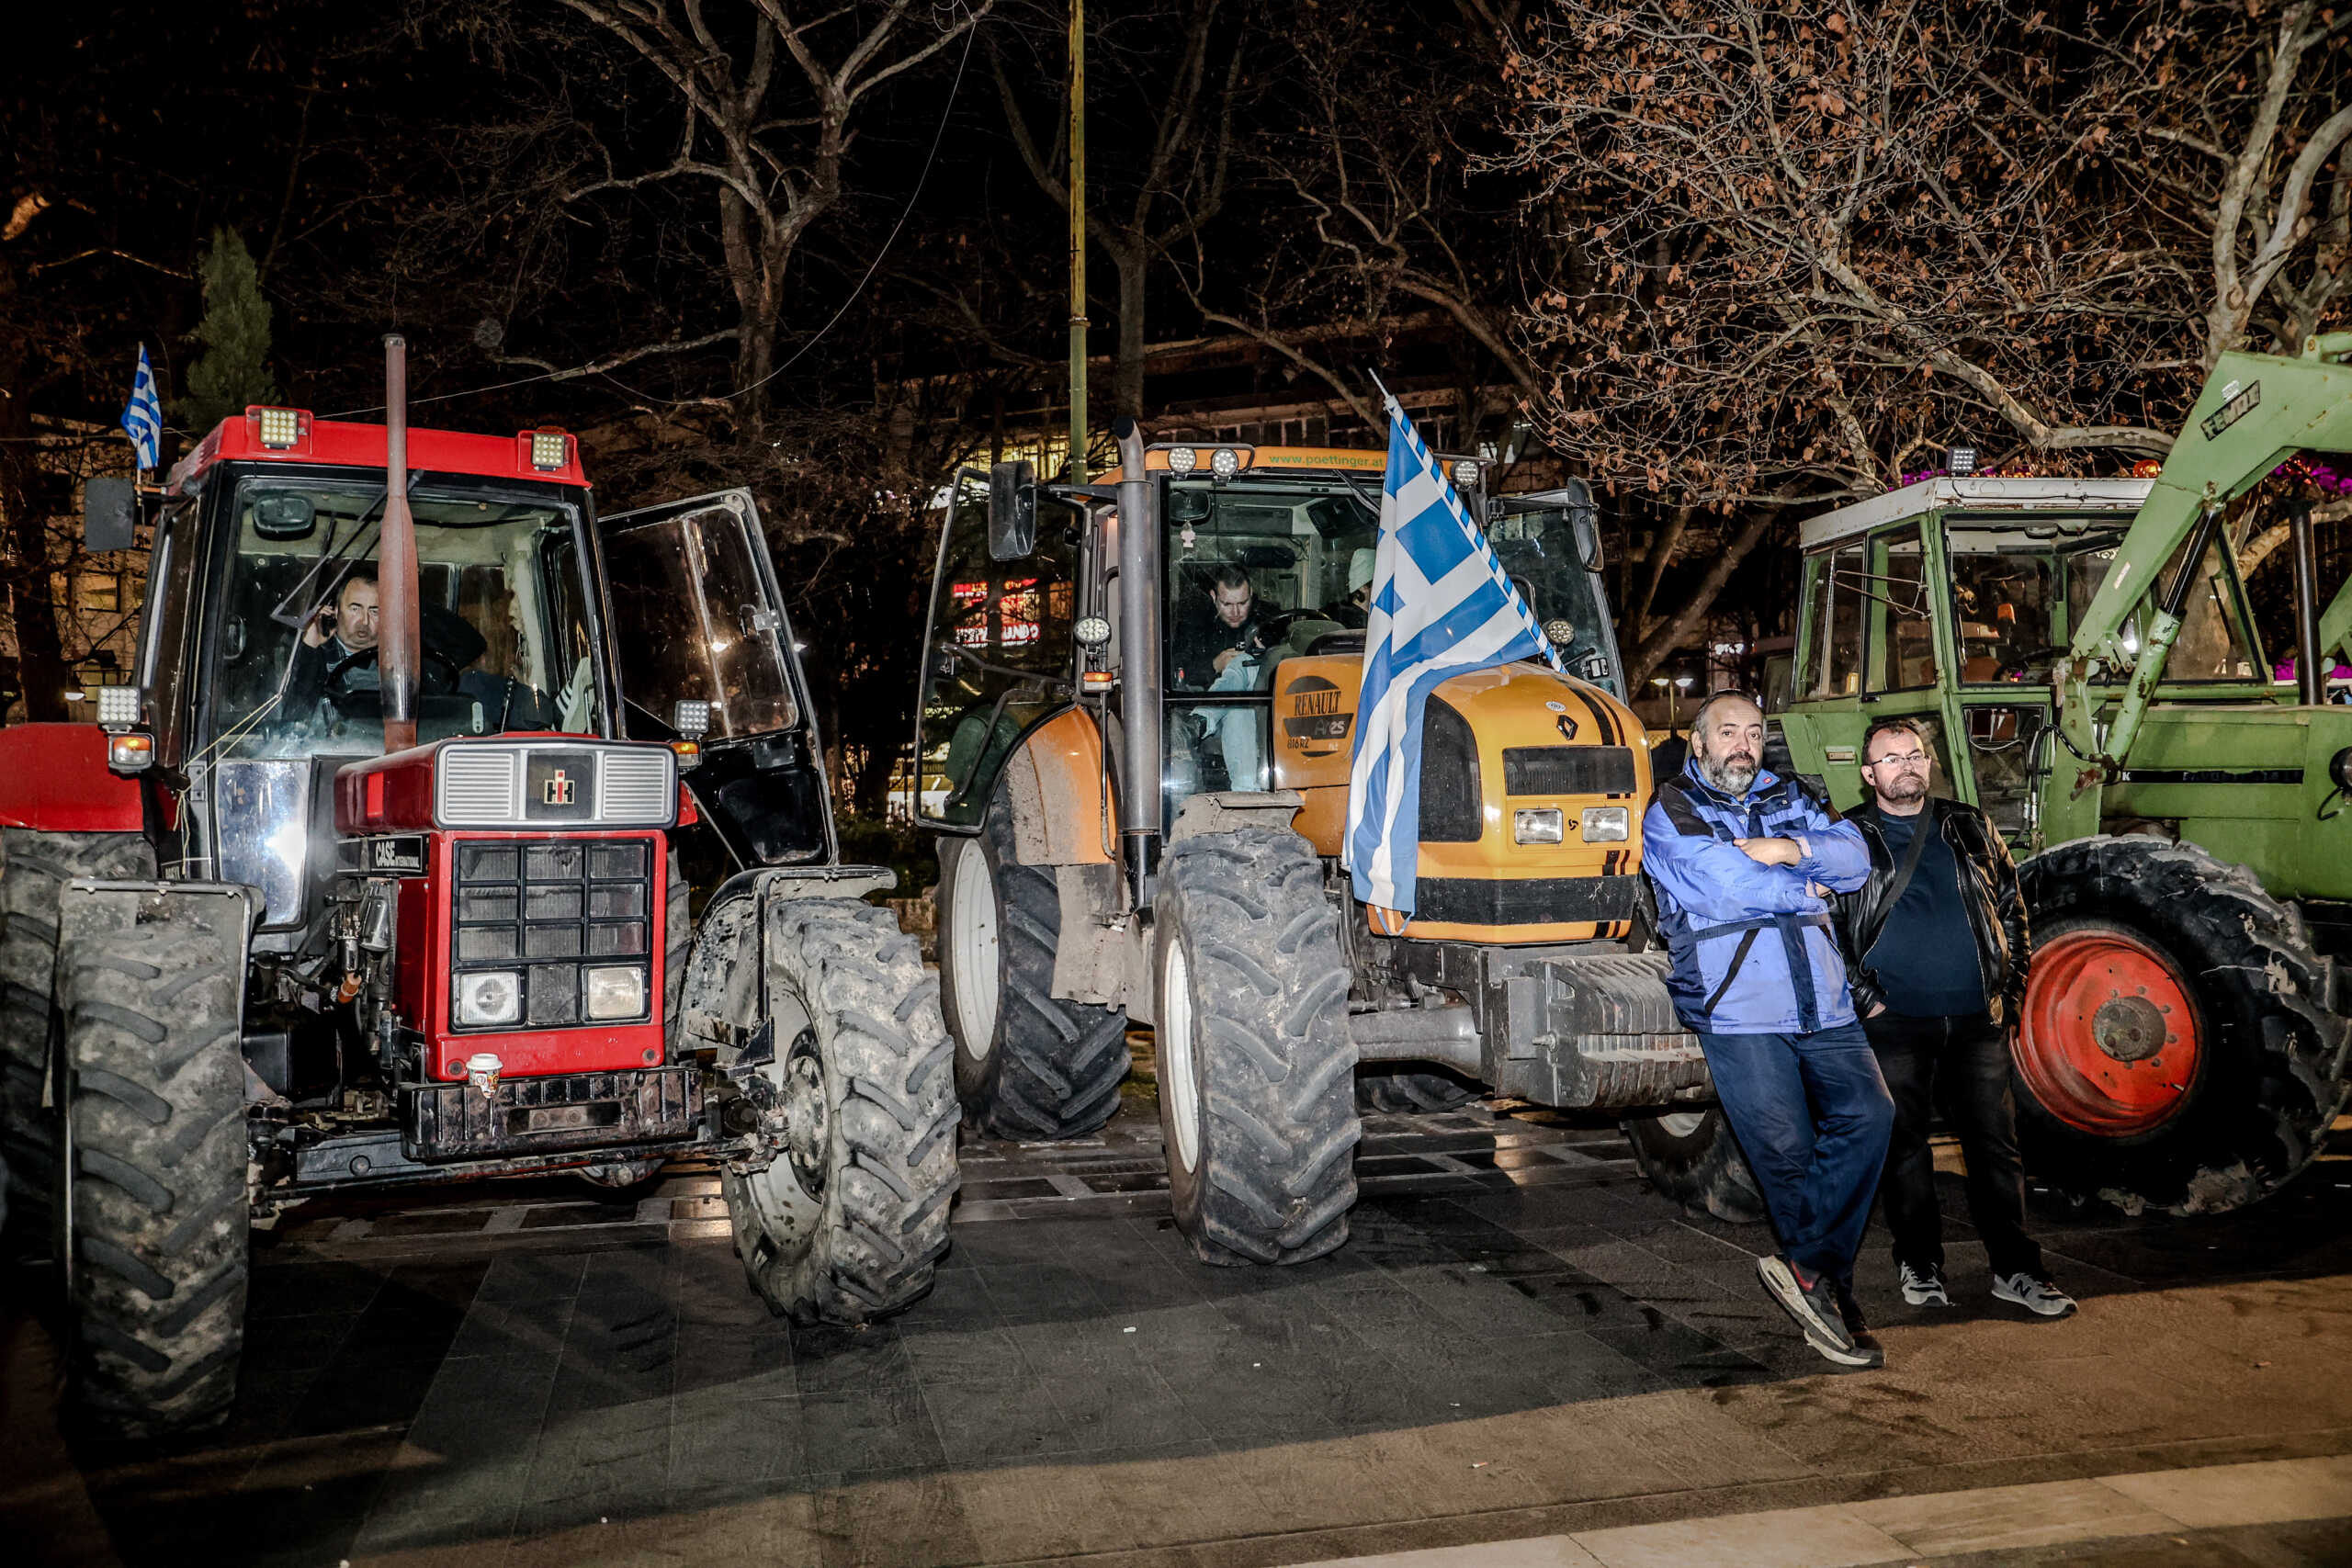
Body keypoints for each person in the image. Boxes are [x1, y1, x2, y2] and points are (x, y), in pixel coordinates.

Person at [1643, 691, 1893, 1369]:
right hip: (1740, 1009)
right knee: (1786, 1153)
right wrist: (1801, 885)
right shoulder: (1674, 810)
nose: (1743, 744)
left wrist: (1787, 846)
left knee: (1871, 1116)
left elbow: (1856, 859)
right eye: (1727, 732)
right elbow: (1717, 886)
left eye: (1753, 732)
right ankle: (1831, 1294)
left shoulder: (1794, 795)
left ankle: (1809, 1268)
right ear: (1698, 743)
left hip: (1825, 1003)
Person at [1837, 716, 2076, 1319]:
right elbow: (1823, 927)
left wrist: (2011, 991)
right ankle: (1919, 1260)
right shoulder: (1847, 835)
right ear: (1869, 773)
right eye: (1890, 758)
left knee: (1996, 1146)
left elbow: (2011, 906)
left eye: (1915, 754)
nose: (1906, 765)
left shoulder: (1968, 823)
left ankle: (2016, 1268)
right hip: (1894, 1022)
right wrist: (1863, 998)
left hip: (1977, 1018)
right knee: (1906, 1146)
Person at [1171, 565, 1273, 789]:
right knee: (1239, 708)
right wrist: (1213, 666)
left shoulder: (1269, 621)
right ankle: (1246, 793)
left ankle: (1200, 722)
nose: (1236, 612)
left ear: (1252, 594)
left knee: (1241, 665)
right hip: (1226, 706)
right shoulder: (1195, 627)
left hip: (1266, 706)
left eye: (1243, 603)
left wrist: (1265, 653)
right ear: (1213, 596)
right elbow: (1177, 672)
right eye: (1227, 604)